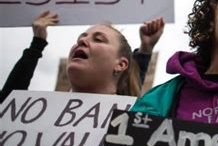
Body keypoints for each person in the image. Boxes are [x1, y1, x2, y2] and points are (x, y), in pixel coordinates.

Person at [0, 12, 165, 102]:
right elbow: (8, 103)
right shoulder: (36, 112)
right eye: (80, 38)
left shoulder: (131, 117)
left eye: (98, 39)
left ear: (121, 65)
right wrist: (37, 43)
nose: (82, 41)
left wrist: (146, 49)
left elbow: (134, 79)